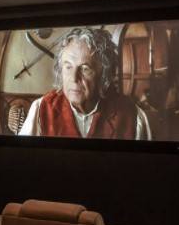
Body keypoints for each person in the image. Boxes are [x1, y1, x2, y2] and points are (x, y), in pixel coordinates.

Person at [18, 27, 151, 140]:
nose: (74, 78)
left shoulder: (132, 116)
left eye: (85, 69)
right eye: (68, 67)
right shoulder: (41, 109)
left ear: (104, 75)